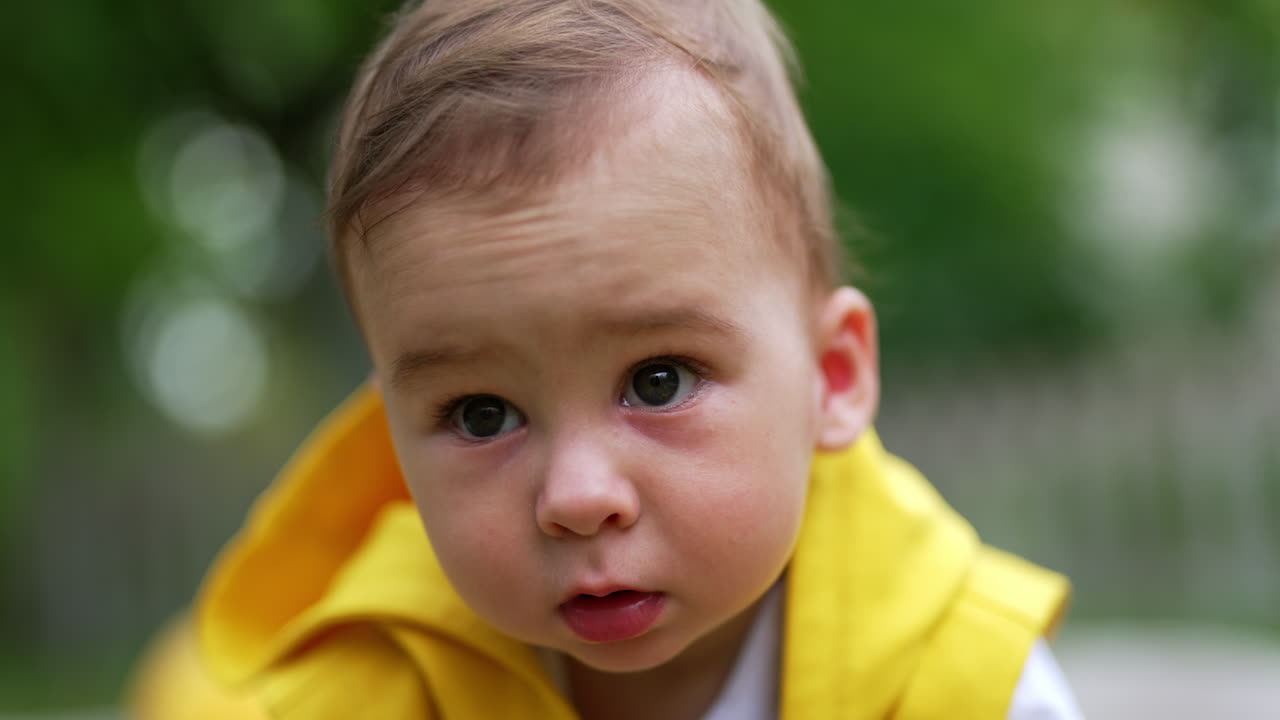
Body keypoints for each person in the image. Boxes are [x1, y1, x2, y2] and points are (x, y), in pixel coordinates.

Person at [131, 1, 1081, 717]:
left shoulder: (964, 685)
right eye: (481, 414)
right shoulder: (361, 695)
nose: (578, 497)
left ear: (832, 378)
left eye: (657, 382)